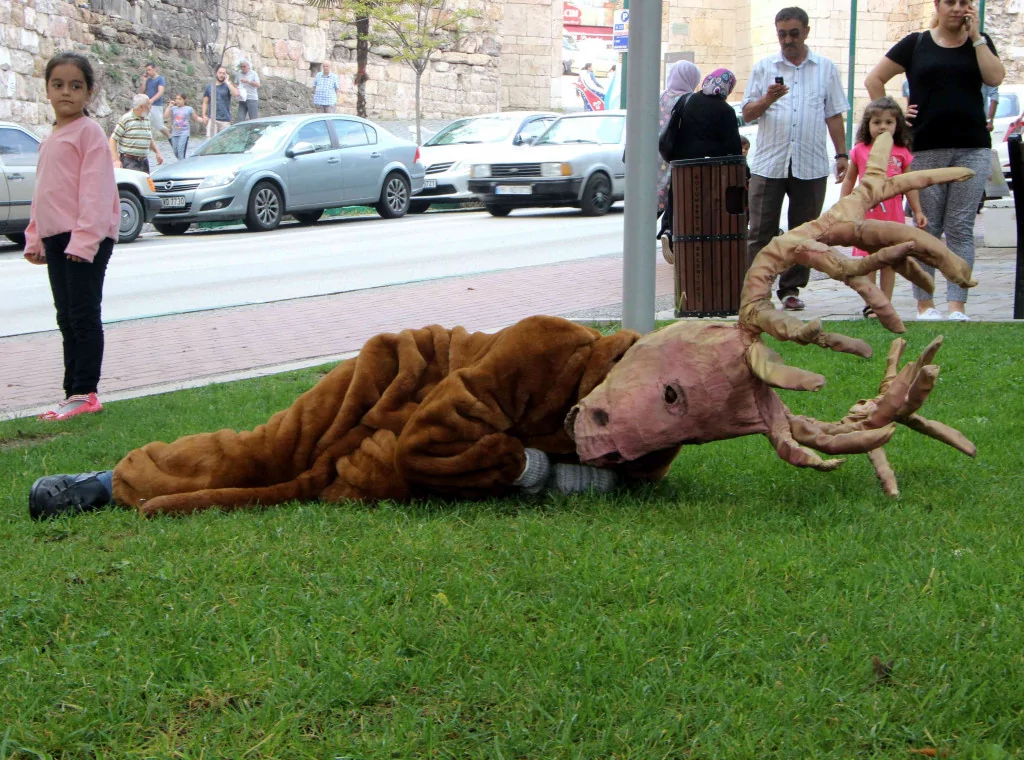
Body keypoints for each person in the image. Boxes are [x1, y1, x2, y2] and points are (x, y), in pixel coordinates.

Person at [865, 0, 1004, 321]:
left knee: (961, 228)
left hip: (972, 148)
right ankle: (925, 304)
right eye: (950, 2)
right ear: (938, 5)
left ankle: (957, 306)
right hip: (925, 148)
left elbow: (995, 78)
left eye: (964, 2)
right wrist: (895, 117)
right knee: (927, 227)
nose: (957, 8)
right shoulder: (916, 43)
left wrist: (977, 37)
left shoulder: (979, 42)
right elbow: (874, 80)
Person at [24, 53, 120, 422]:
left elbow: (96, 192)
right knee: (66, 317)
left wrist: (84, 241)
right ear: (47, 90)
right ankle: (72, 394)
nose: (66, 92)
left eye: (76, 86)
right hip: (56, 239)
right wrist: (35, 238)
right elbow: (43, 194)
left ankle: (86, 392)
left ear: (89, 93)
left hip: (84, 239)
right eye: (58, 85)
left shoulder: (89, 133)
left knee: (83, 315)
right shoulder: (49, 138)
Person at [741, 7, 848, 311]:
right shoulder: (764, 67)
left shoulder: (825, 68)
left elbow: (834, 114)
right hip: (769, 164)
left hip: (810, 164)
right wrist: (768, 99)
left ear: (806, 32)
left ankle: (790, 289)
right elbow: (747, 113)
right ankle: (756, 291)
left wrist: (842, 154)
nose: (788, 40)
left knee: (804, 234)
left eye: (793, 33)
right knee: (760, 232)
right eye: (782, 34)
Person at [840, 97, 928, 317]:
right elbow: (849, 180)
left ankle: (885, 303)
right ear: (867, 125)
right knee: (869, 260)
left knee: (890, 261)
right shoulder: (860, 150)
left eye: (889, 122)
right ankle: (872, 303)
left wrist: (918, 211)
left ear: (897, 125)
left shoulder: (902, 152)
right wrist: (844, 208)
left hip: (893, 215)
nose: (882, 127)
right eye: (877, 122)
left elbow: (910, 185)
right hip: (867, 213)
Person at [657, 69, 743, 260]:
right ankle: (700, 252)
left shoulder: (687, 100)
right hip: (709, 172)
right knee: (702, 212)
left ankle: (671, 234)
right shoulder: (726, 110)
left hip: (681, 166)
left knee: (679, 203)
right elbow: (733, 148)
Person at [656, 60, 702, 263]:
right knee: (675, 196)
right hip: (676, 155)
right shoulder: (691, 100)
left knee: (656, 195)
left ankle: (642, 240)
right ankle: (669, 232)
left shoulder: (660, 96)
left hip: (656, 153)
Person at [109, 94, 164, 173]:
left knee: (145, 181)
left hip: (144, 161)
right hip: (129, 161)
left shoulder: (147, 118)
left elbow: (148, 138)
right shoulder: (126, 119)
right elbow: (113, 139)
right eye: (148, 104)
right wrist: (116, 160)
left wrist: (157, 152)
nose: (150, 107)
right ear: (141, 107)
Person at [202, 66, 238, 137]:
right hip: (212, 119)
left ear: (226, 75)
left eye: (223, 73)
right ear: (216, 73)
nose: (221, 75)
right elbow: (205, 102)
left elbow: (236, 93)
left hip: (225, 119)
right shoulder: (209, 87)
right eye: (220, 73)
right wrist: (203, 114)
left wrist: (227, 82)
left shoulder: (227, 86)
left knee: (225, 142)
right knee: (210, 141)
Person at [139, 62, 170, 139]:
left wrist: (152, 100)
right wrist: (144, 81)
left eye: (149, 70)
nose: (148, 72)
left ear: (154, 69)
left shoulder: (160, 79)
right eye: (147, 70)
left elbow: (160, 92)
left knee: (159, 126)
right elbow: (141, 92)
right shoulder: (148, 80)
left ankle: (170, 137)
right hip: (147, 106)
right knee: (144, 124)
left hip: (156, 105)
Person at [164, 93, 198, 160]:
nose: (177, 101)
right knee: (175, 151)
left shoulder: (189, 109)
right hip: (175, 133)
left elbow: (196, 118)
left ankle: (181, 164)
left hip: (184, 133)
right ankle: (182, 162)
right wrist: (169, 106)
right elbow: (165, 116)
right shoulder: (173, 108)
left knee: (180, 151)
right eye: (176, 99)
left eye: (180, 99)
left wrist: (203, 120)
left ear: (184, 100)